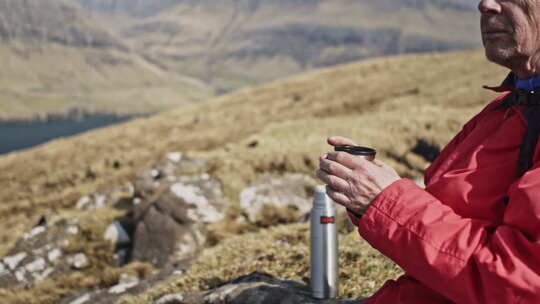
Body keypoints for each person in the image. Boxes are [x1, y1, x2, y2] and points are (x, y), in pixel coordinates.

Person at [316, 0, 540, 303]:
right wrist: (370, 194)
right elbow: (441, 225)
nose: (484, 4)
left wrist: (385, 202)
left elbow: (520, 282)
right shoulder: (507, 109)